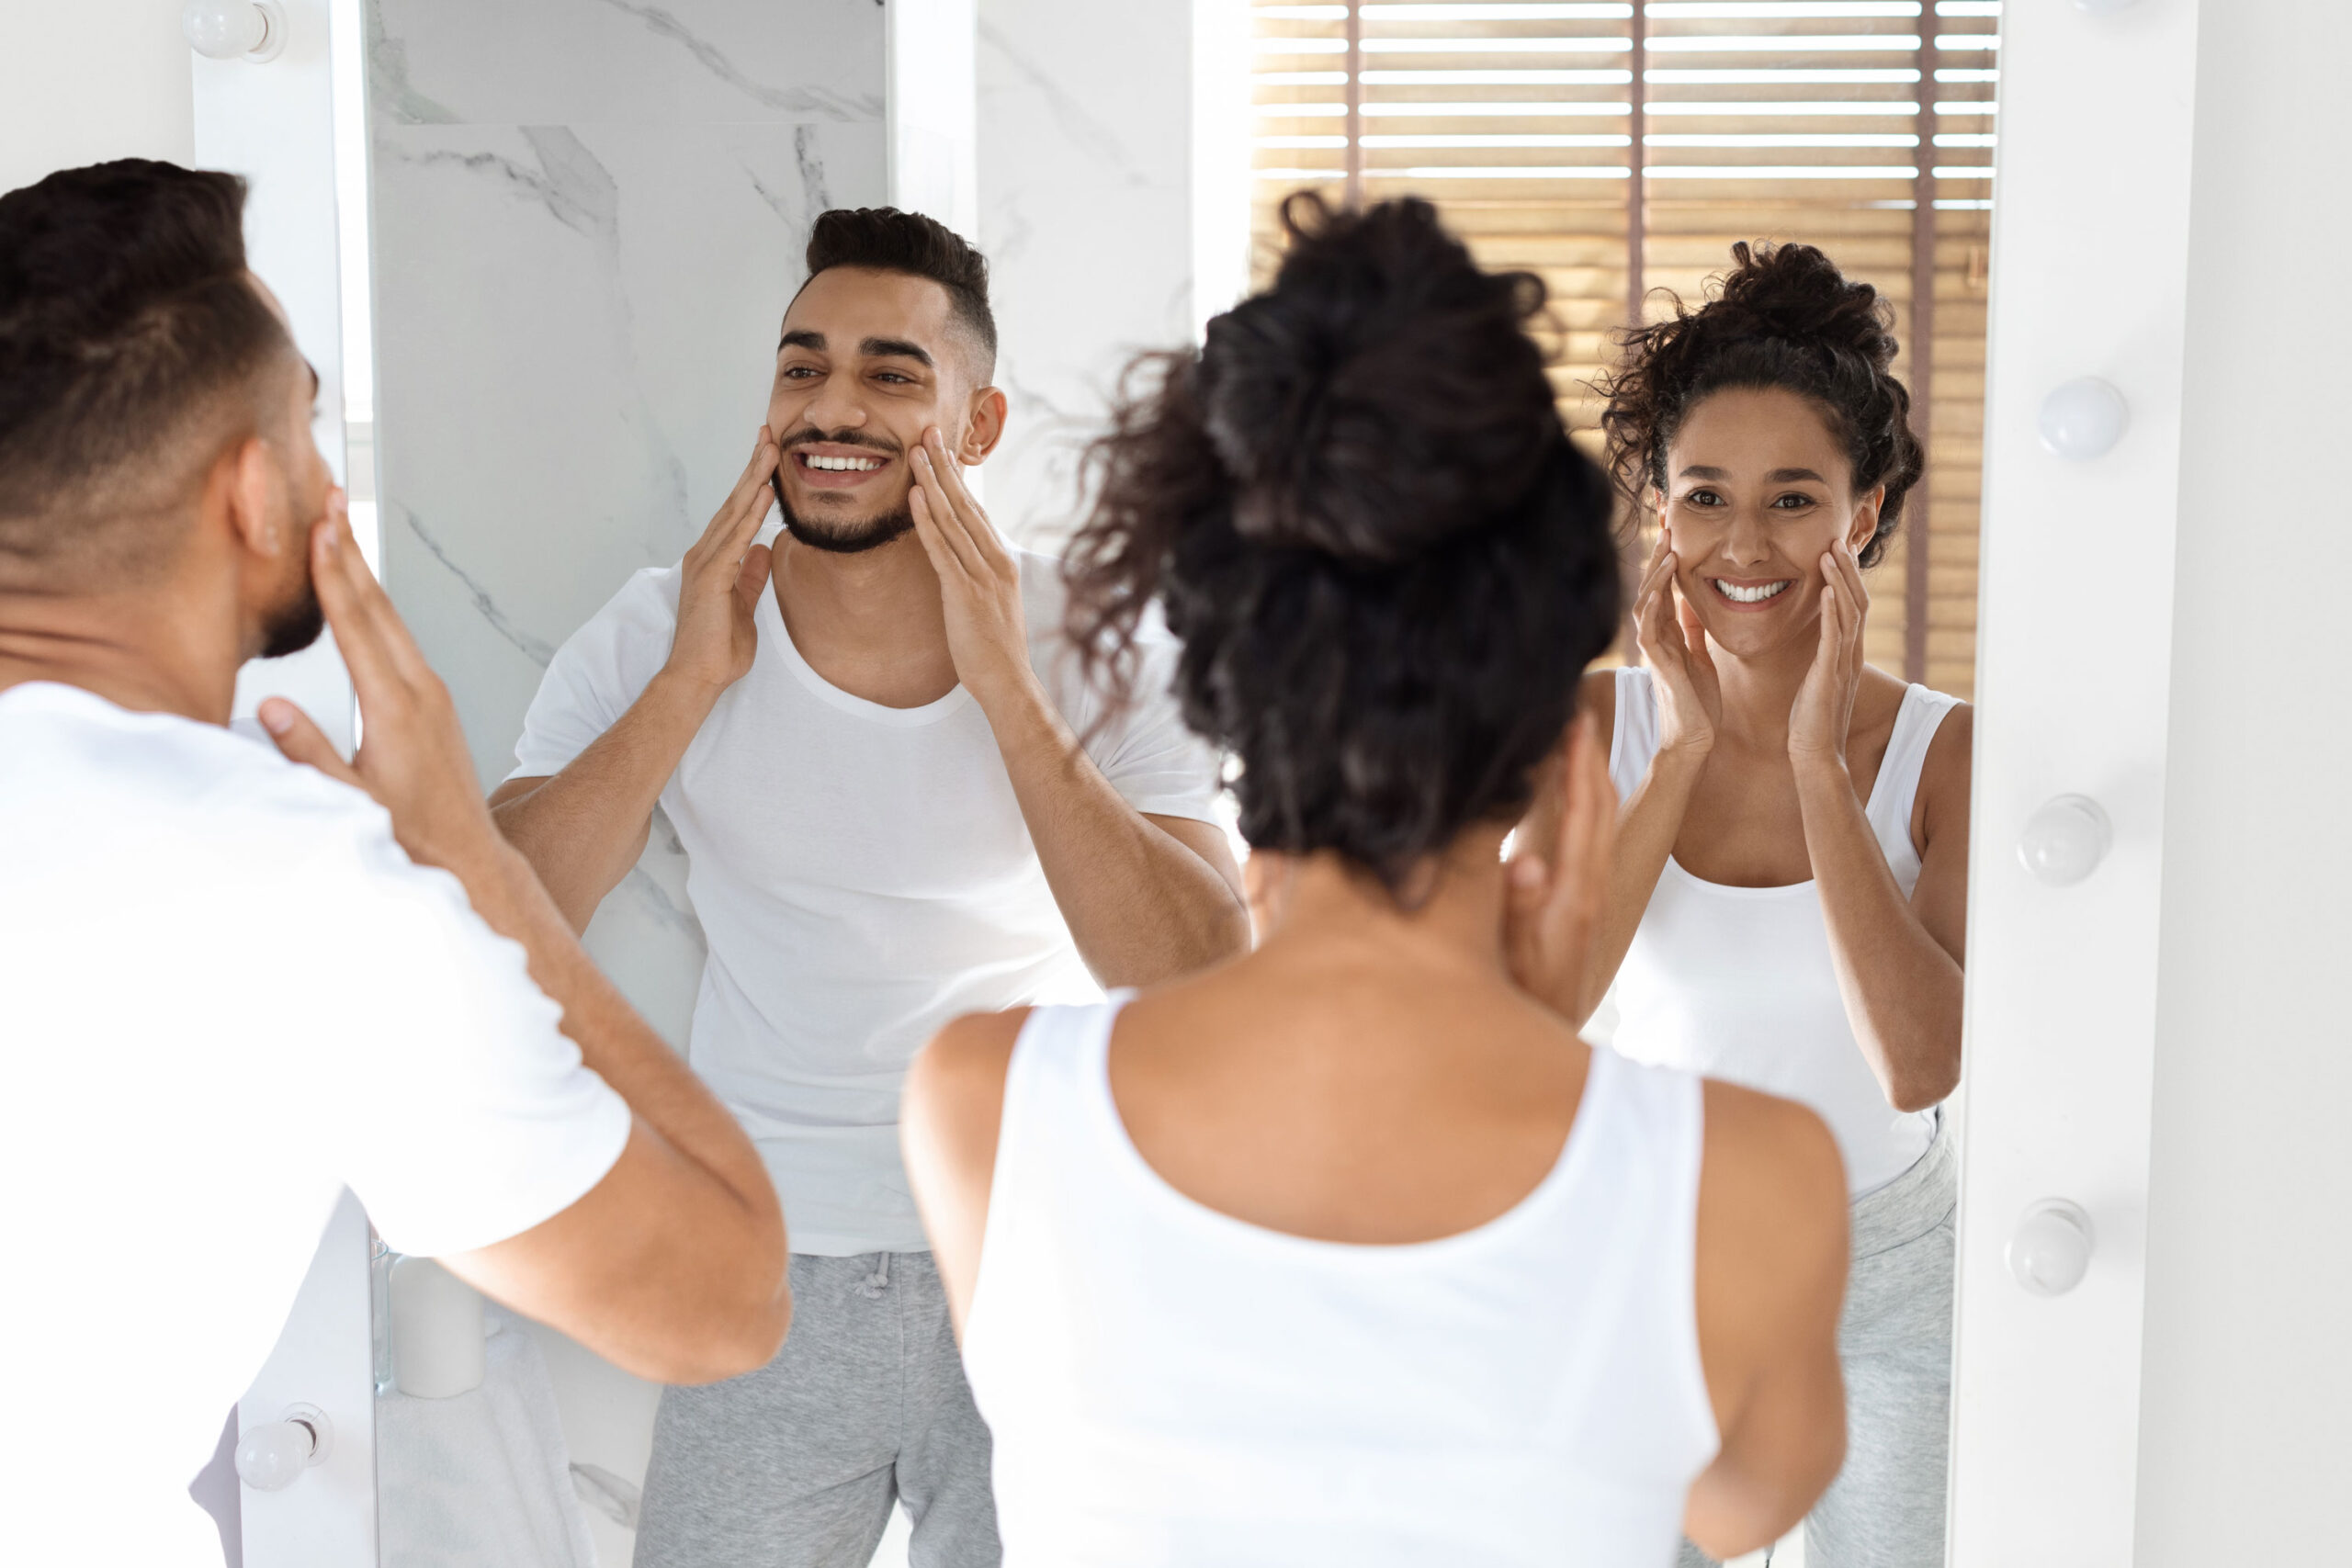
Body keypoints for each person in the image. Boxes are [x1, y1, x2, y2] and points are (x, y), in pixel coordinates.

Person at [899, 194, 1852, 1568]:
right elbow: (1733, 1507)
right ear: (1565, 770)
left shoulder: (981, 1103)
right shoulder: (1754, 1184)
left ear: (1227, 702)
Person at [0, 160, 791, 1567]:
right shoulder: (303, 890)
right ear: (253, 494)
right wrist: (467, 866)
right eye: (310, 430)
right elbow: (721, 1304)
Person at [490, 206, 1250, 1567]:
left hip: (1041, 1272)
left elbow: (1202, 971)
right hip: (764, 1274)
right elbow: (500, 924)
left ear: (977, 422)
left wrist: (1009, 691)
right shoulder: (655, 629)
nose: (831, 403)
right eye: (802, 367)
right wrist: (685, 687)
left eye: (892, 373)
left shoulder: (1103, 645)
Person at [1566, 240, 1973, 1568]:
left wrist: (1814, 765)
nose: (1745, 545)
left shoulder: (1947, 754)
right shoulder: (1597, 728)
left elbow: (1921, 1063)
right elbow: (1540, 1012)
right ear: (1659, 516)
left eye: (1795, 499)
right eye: (1705, 498)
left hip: (1893, 1275)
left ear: (1861, 514)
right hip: (1660, 1256)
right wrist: (1679, 755)